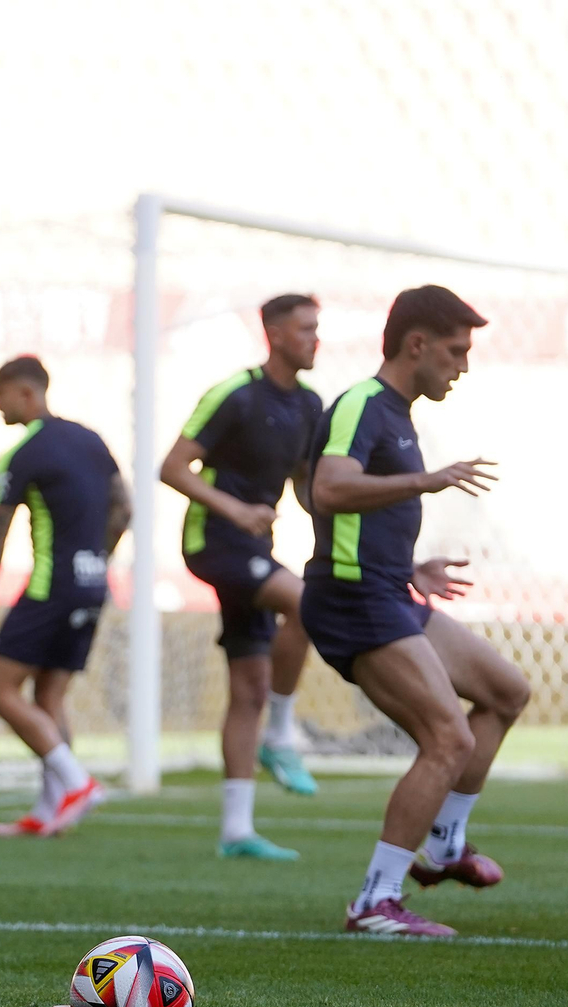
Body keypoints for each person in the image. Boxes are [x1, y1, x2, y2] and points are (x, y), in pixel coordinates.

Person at [303, 285, 526, 937]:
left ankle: (446, 847)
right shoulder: (363, 404)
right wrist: (427, 480)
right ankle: (375, 900)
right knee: (447, 738)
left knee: (507, 692)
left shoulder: (397, 414)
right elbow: (328, 488)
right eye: (455, 352)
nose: (462, 366)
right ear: (417, 344)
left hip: (387, 590)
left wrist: (410, 568)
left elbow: (353, 500)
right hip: (353, 602)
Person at [159, 294, 324, 862]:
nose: (315, 338)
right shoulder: (235, 394)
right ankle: (282, 734)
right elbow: (172, 467)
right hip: (215, 541)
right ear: (275, 334)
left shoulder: (309, 405)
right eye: (305, 329)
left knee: (249, 688)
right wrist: (235, 510)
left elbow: (307, 488)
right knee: (308, 603)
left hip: (256, 546)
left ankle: (236, 830)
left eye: (316, 328)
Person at [0, 356, 129, 837]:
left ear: (25, 392)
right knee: (49, 696)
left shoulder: (24, 454)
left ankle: (77, 784)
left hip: (51, 586)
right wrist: (96, 558)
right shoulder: (92, 441)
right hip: (92, 584)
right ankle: (50, 810)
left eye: (1, 393)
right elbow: (123, 510)